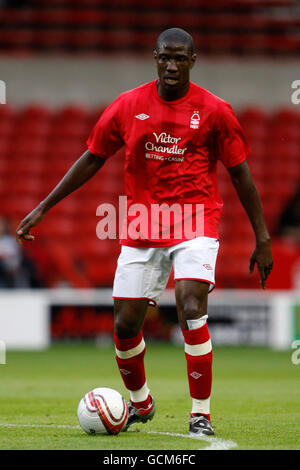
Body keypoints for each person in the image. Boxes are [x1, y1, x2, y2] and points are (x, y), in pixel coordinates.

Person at [16, 28, 273, 436]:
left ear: (193, 61)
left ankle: (200, 414)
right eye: (165, 57)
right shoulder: (127, 106)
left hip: (196, 218)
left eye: (180, 58)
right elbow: (92, 158)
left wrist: (262, 238)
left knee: (191, 306)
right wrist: (44, 207)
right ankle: (141, 403)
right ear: (155, 58)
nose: (171, 65)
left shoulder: (214, 111)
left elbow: (240, 174)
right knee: (124, 326)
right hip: (142, 223)